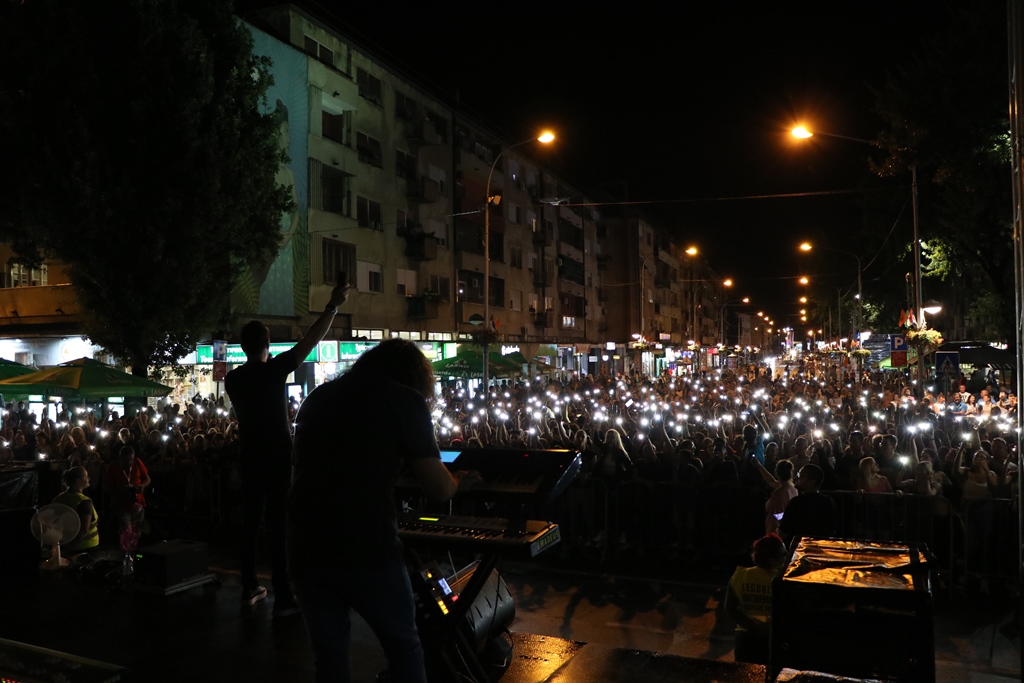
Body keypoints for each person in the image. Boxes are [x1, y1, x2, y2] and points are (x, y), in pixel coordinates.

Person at [288, 338, 478, 683]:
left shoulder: (318, 397)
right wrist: (460, 480)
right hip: (365, 547)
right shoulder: (403, 400)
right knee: (404, 649)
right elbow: (439, 488)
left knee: (329, 662)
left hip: (305, 545)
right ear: (413, 376)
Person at [225, 283, 349, 610]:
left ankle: (249, 586)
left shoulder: (233, 380)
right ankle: (283, 592)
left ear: (243, 346)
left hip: (250, 456)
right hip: (278, 456)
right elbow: (311, 341)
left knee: (250, 524)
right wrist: (332, 306)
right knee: (279, 526)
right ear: (267, 343)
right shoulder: (274, 371)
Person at [724, 533, 789, 664]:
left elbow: (730, 608)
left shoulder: (740, 576)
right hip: (772, 638)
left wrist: (752, 627)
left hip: (745, 637)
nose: (787, 557)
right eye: (784, 554)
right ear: (772, 560)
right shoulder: (782, 582)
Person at [779, 464, 836, 547]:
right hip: (820, 548)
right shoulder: (828, 502)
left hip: (799, 548)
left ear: (811, 482)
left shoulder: (796, 503)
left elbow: (784, 531)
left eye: (800, 475)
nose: (796, 478)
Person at [51, 465, 100, 553]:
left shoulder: (58, 499)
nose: (89, 478)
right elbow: (84, 529)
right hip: (86, 547)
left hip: (63, 545)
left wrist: (63, 545)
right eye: (86, 476)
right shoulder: (84, 501)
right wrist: (71, 544)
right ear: (78, 481)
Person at [102, 445, 150, 530]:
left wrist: (142, 486)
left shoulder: (137, 462)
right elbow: (105, 488)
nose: (129, 463)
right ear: (120, 458)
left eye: (131, 460)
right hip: (122, 506)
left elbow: (148, 479)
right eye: (126, 460)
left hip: (139, 503)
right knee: (126, 532)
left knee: (138, 530)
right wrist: (121, 490)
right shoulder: (113, 466)